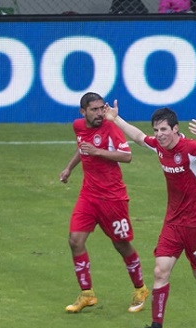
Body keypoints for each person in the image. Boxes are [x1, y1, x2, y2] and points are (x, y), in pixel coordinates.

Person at [103, 101, 196, 328]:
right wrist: (115, 118)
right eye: (156, 130)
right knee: (160, 271)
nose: (159, 135)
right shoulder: (158, 146)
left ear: (176, 129)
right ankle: (157, 327)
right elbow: (138, 137)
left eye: (164, 130)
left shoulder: (191, 149)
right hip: (173, 221)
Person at [59, 92, 149, 314]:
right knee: (75, 241)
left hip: (113, 198)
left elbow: (127, 156)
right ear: (83, 112)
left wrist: (98, 151)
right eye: (94, 109)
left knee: (121, 244)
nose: (100, 113)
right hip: (88, 196)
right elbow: (83, 148)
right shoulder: (78, 126)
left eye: (102, 108)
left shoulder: (110, 128)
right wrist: (69, 168)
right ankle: (87, 294)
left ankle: (140, 289)